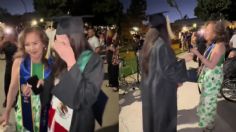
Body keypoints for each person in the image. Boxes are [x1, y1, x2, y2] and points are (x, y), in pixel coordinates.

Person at [43, 16, 104, 132]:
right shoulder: (59, 59)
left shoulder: (93, 60)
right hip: (56, 115)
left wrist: (71, 63)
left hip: (77, 121)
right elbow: (52, 87)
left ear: (75, 40)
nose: (58, 45)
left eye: (62, 42)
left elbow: (86, 98)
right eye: (57, 40)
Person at [140, 13, 187, 132]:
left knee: (152, 122)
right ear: (163, 27)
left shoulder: (147, 45)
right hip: (162, 93)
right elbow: (170, 71)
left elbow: (157, 67)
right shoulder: (162, 45)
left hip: (149, 91)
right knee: (163, 123)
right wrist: (183, 62)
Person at [0, 26, 51, 131]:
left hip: (45, 116)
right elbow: (13, 88)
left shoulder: (51, 64)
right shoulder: (19, 62)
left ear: (44, 43)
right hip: (24, 114)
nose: (31, 48)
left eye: (35, 43)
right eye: (27, 44)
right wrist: (7, 112)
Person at [189, 21, 228, 131]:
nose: (205, 32)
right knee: (205, 98)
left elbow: (211, 65)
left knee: (209, 102)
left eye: (208, 30)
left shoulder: (220, 46)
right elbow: (209, 61)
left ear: (216, 33)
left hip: (214, 78)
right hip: (210, 77)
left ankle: (209, 126)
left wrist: (198, 55)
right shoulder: (214, 45)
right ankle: (206, 120)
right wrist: (201, 68)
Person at [0, 28, 18, 107]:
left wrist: (14, 41)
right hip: (8, 67)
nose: (9, 35)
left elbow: (24, 50)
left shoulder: (18, 42)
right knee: (7, 84)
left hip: (18, 67)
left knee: (16, 84)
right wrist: (3, 41)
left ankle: (16, 100)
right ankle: (7, 99)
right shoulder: (5, 43)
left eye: (11, 34)